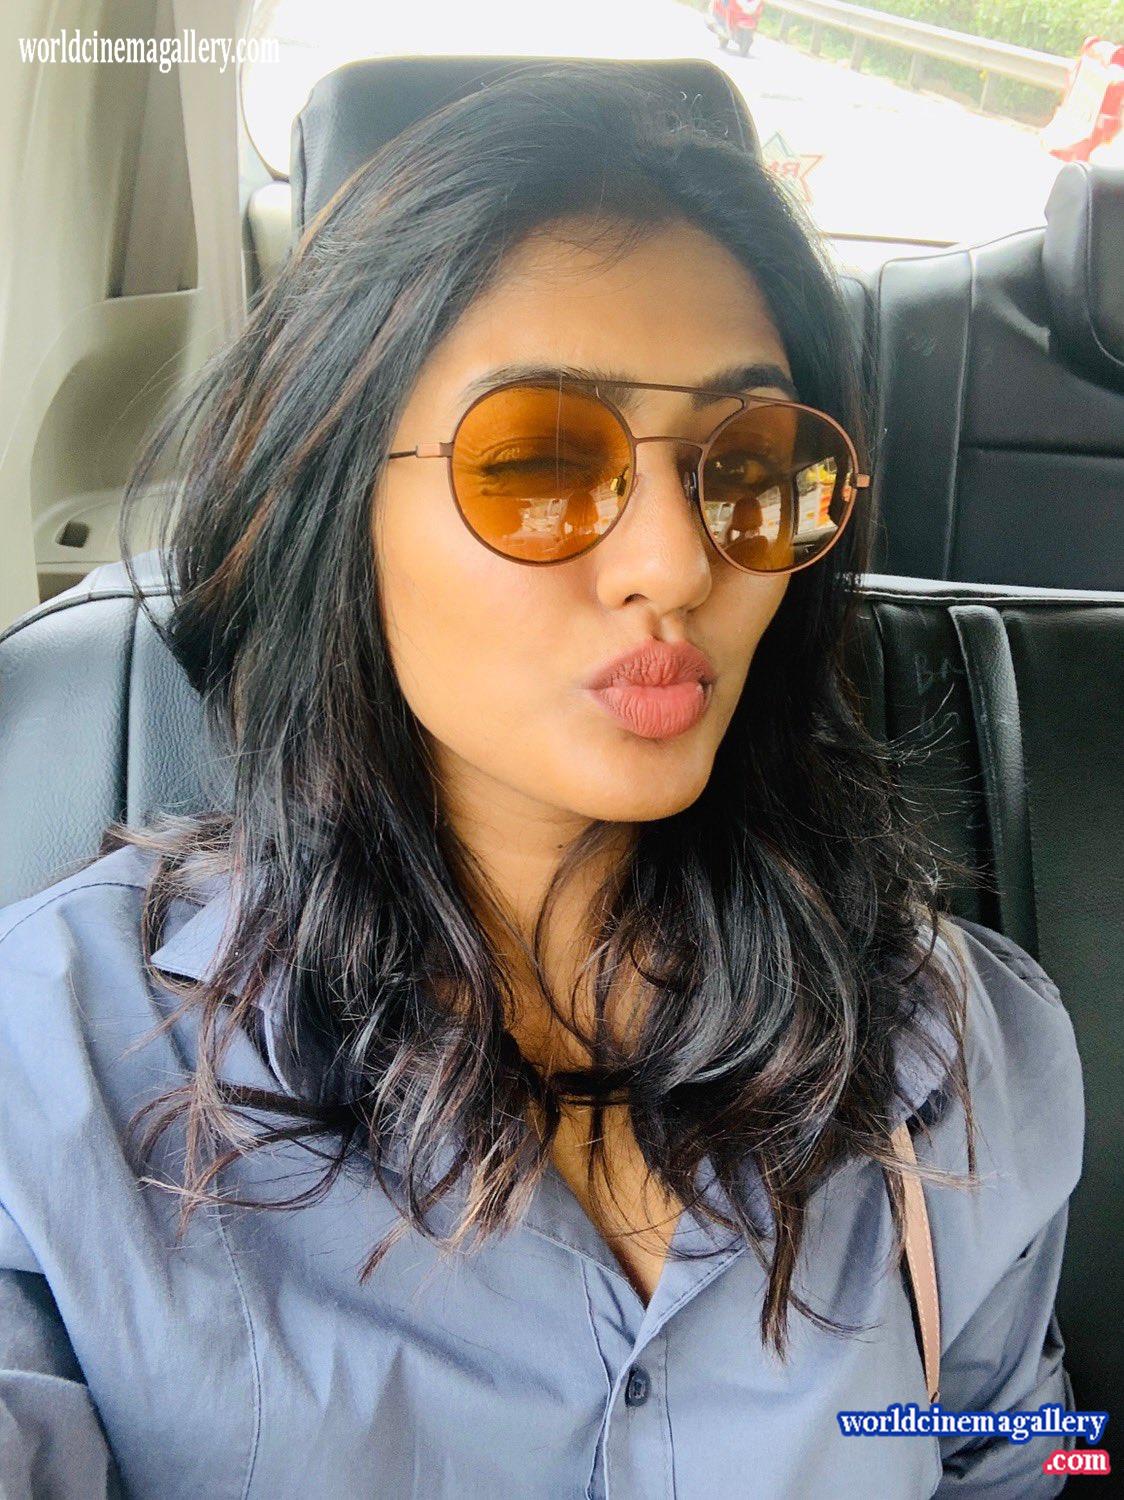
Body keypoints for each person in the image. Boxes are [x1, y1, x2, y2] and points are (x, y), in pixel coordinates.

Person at [0, 63, 1083, 1498]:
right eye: (537, 465)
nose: (677, 563)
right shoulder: (54, 1068)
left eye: (749, 464)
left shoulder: (956, 1049)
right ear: (329, 498)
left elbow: (1012, 1455)